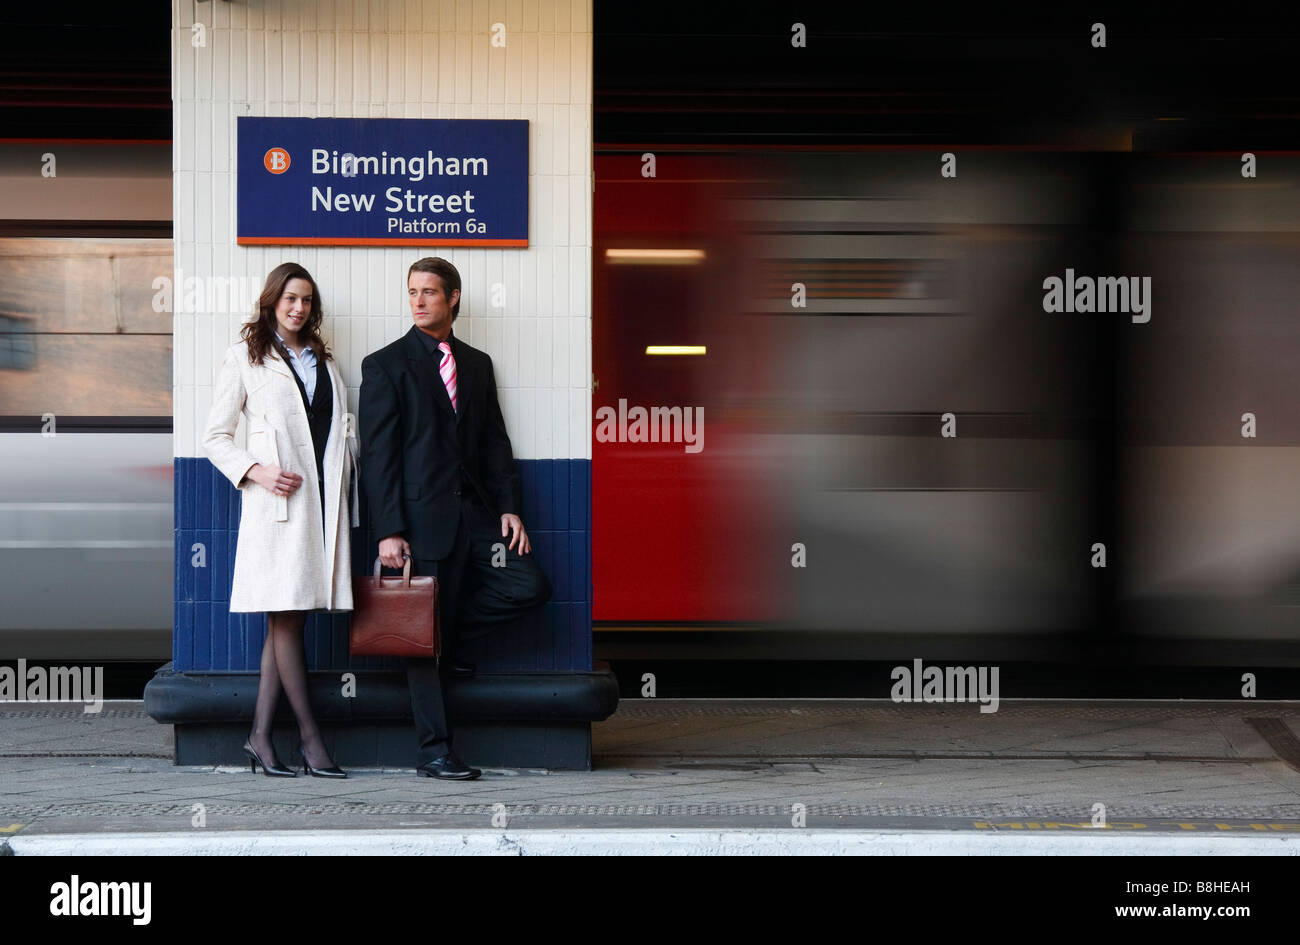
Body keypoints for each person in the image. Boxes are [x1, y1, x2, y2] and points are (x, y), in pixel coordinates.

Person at [360, 256, 551, 780]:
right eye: (412, 292)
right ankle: (435, 751)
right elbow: (379, 457)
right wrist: (388, 530)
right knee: (421, 633)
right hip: (421, 523)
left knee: (528, 586)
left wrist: (510, 507)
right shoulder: (385, 365)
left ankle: (453, 639)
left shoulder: (477, 364)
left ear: (453, 298)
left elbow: (494, 442)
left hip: (478, 517)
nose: (418, 301)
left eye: (429, 292)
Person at [203, 262, 359, 780]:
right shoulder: (245, 357)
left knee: (287, 620)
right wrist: (258, 471)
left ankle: (259, 738)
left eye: (307, 300)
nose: (299, 308)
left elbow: (337, 433)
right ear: (272, 301)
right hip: (277, 508)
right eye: (290, 298)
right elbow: (215, 437)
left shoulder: (324, 362)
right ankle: (312, 741)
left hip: (321, 504)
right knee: (287, 617)